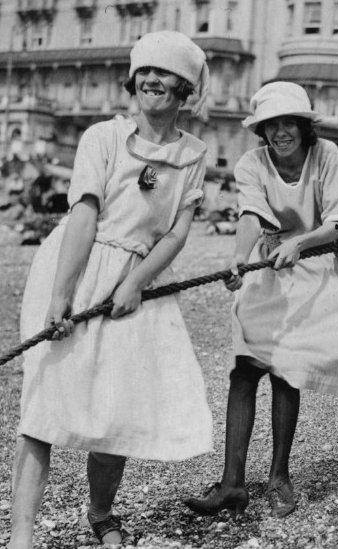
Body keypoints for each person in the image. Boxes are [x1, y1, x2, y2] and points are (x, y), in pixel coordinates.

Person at [10, 31, 213, 547]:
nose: (153, 81)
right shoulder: (101, 137)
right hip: (77, 265)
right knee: (44, 403)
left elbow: (176, 232)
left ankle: (101, 513)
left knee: (116, 403)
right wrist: (62, 294)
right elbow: (84, 214)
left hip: (137, 284)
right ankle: (22, 531)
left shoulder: (194, 154)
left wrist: (135, 284)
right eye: (145, 71)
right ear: (132, 78)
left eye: (167, 74)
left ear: (186, 88)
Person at [184, 82, 338, 517]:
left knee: (285, 372)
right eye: (271, 125)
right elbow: (253, 215)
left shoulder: (326, 155)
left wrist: (301, 243)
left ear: (303, 126)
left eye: (288, 122)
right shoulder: (251, 163)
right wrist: (239, 258)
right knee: (243, 371)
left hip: (319, 270)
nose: (280, 132)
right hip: (270, 268)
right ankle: (232, 484)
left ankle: (279, 477)